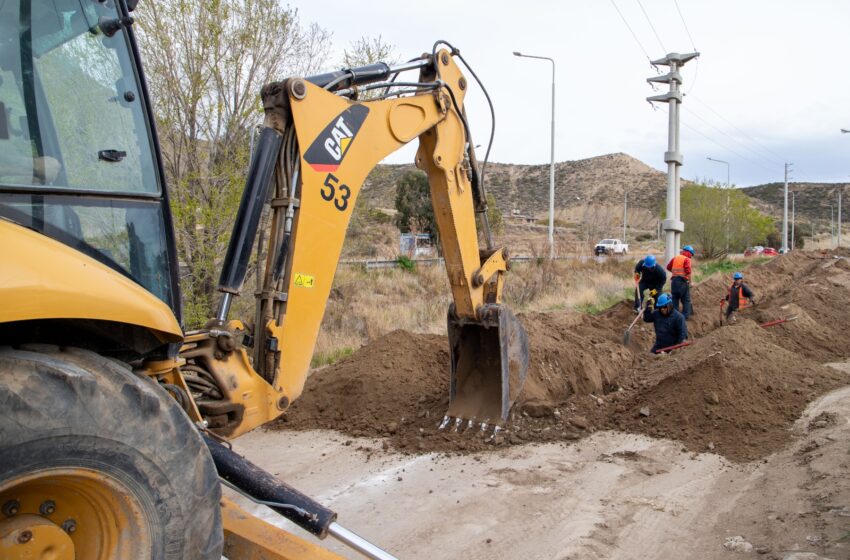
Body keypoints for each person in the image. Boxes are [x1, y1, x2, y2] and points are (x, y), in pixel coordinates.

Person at [666, 245, 695, 319]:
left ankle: (674, 316)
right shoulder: (687, 259)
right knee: (686, 299)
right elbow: (688, 272)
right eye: (691, 254)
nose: (691, 256)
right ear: (689, 253)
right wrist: (690, 282)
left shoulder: (675, 258)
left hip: (674, 281)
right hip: (682, 282)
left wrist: (675, 273)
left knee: (675, 299)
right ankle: (684, 317)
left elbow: (668, 267)